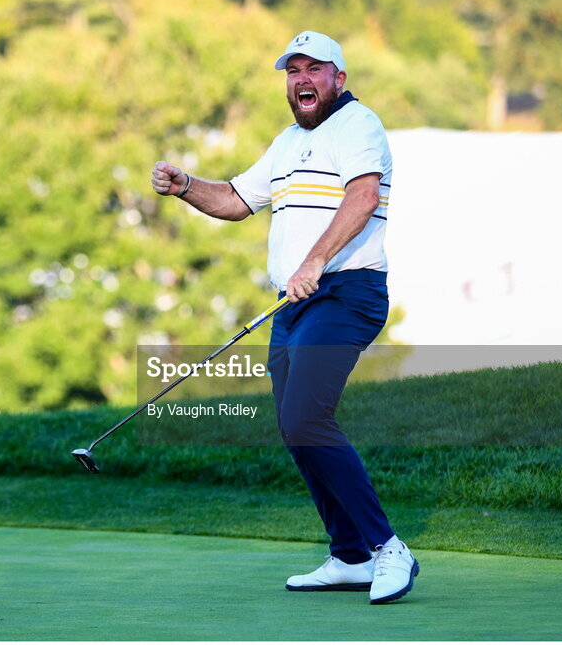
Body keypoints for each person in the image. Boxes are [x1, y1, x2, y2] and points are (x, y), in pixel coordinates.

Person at [151, 31, 417, 605]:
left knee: (306, 418)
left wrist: (315, 261)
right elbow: (236, 200)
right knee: (294, 430)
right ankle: (348, 555)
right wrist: (186, 186)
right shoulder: (287, 142)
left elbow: (364, 198)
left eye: (314, 69)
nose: (301, 79)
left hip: (347, 293)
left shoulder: (358, 126)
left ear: (338, 79)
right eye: (292, 70)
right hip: (295, 300)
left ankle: (387, 548)